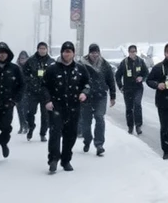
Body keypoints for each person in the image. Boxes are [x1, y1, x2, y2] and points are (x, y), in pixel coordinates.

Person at [42, 41, 90, 173]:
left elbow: (87, 84)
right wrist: (47, 100)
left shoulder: (80, 69)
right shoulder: (52, 69)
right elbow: (44, 86)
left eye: (69, 51)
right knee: (55, 134)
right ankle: (53, 159)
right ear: (61, 53)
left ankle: (66, 160)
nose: (66, 54)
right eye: (64, 51)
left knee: (71, 135)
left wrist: (84, 93)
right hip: (56, 107)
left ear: (73, 53)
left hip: (74, 107)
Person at [79, 44, 117, 156]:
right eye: (92, 53)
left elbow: (110, 80)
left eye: (97, 53)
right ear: (89, 53)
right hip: (86, 97)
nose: (95, 55)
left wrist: (113, 96)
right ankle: (87, 140)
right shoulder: (82, 64)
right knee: (86, 122)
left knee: (99, 118)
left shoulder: (105, 65)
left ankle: (99, 144)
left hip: (101, 96)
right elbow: (77, 80)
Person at [22, 42, 54, 141]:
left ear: (47, 49)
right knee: (30, 112)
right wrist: (31, 81)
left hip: (46, 93)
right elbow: (24, 75)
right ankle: (31, 127)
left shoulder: (51, 62)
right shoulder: (31, 61)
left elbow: (54, 76)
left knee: (45, 115)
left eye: (44, 48)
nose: (42, 50)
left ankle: (43, 133)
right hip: (32, 92)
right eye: (41, 48)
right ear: (37, 49)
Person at [115, 44, 149, 135]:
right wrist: (120, 87)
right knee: (129, 108)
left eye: (134, 51)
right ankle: (130, 126)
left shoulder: (140, 62)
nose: (133, 53)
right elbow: (117, 76)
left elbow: (146, 73)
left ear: (136, 52)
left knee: (137, 104)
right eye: (131, 52)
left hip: (138, 88)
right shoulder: (124, 63)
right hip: (127, 88)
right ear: (128, 52)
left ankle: (138, 125)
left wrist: (142, 78)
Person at [15, 50, 30, 134]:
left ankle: (26, 125)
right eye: (21, 58)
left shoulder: (30, 67)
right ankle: (22, 125)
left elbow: (35, 76)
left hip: (28, 92)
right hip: (18, 92)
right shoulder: (16, 68)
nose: (23, 60)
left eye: (24, 58)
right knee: (19, 110)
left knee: (25, 110)